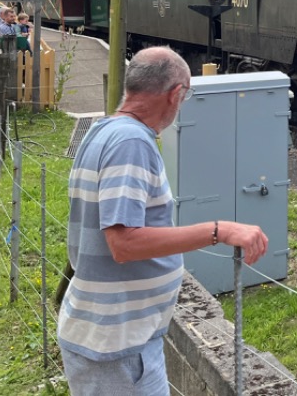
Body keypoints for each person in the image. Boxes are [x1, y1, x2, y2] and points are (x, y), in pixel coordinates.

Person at [57, 46, 268, 394]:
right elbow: (122, 243)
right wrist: (219, 230)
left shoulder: (104, 131)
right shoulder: (130, 142)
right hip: (116, 347)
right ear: (176, 94)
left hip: (118, 339)